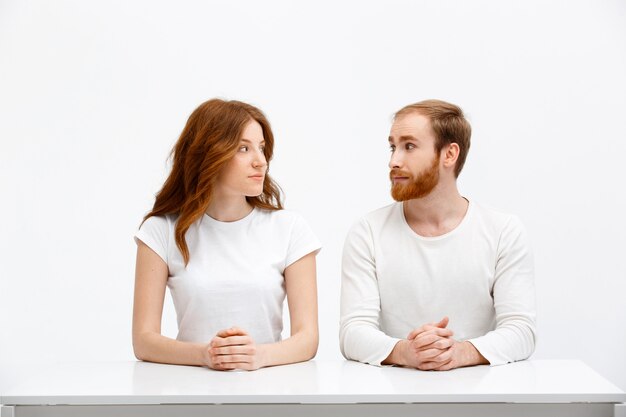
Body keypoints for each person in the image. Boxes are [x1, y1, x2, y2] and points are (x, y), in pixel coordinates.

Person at [339, 99, 536, 370]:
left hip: (481, 401)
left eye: (409, 146)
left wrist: (460, 353)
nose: (393, 161)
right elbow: (352, 333)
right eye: (393, 146)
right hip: (394, 402)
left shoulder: (503, 231)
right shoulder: (368, 232)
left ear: (449, 154)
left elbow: (522, 331)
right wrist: (406, 352)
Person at [133, 99, 320, 371]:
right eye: (244, 148)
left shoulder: (291, 229)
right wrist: (206, 355)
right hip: (189, 390)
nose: (261, 162)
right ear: (209, 155)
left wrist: (258, 356)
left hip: (270, 390)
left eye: (262, 148)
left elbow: (308, 339)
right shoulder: (161, 231)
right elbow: (143, 341)